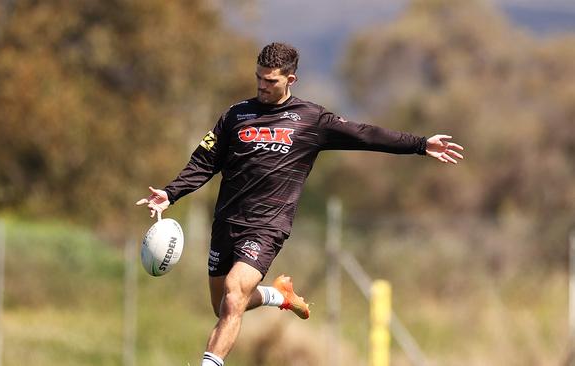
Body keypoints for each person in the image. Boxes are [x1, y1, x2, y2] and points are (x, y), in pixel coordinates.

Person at [137, 42, 464, 366]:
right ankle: (278, 295)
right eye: (259, 78)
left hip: (268, 226)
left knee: (234, 294)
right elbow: (204, 160)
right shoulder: (236, 115)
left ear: (290, 80)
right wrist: (170, 192)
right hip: (226, 222)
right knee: (223, 304)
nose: (263, 86)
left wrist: (421, 144)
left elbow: (365, 134)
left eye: (271, 81)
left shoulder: (311, 119)